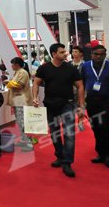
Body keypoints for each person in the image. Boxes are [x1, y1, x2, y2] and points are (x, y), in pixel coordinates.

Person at [32, 43, 85, 178]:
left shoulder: (71, 68)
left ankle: (67, 162)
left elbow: (80, 86)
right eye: (62, 52)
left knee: (69, 134)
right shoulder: (44, 68)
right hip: (50, 105)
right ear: (54, 54)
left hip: (68, 104)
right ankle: (60, 156)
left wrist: (81, 106)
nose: (65, 53)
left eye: (65, 51)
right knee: (54, 133)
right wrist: (35, 97)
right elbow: (36, 83)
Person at [81, 45, 109, 168]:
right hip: (91, 101)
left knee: (105, 127)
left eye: (102, 54)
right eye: (96, 54)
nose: (99, 56)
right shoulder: (85, 66)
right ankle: (100, 153)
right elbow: (82, 84)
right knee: (95, 127)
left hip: (106, 101)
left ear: (105, 55)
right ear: (92, 54)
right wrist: (81, 102)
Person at [5, 57, 32, 150]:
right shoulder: (18, 72)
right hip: (18, 100)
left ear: (16, 64)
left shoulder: (23, 72)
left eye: (12, 64)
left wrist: (8, 82)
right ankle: (24, 140)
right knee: (20, 121)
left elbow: (19, 85)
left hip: (21, 100)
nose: (11, 66)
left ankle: (28, 143)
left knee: (22, 122)